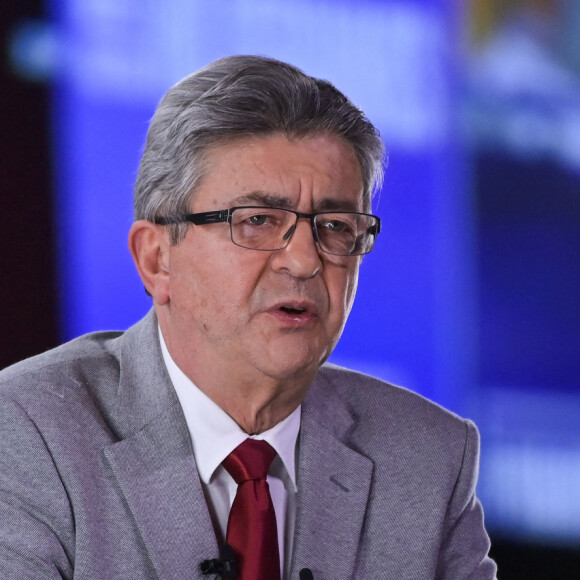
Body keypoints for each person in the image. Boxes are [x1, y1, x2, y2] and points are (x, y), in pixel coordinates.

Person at [0, 55, 497, 579]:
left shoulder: (428, 459)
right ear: (156, 258)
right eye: (257, 220)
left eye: (333, 225)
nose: (306, 260)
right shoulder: (30, 434)